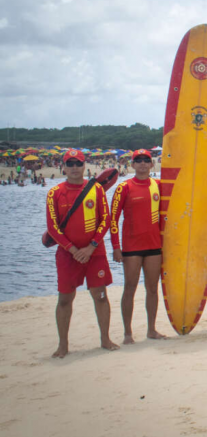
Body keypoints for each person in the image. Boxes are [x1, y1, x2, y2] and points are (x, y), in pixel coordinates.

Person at [46, 149, 118, 358]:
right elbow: (52, 228)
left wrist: (91, 246)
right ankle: (63, 345)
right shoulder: (55, 192)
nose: (75, 168)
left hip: (94, 253)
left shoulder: (95, 190)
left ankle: (105, 339)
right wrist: (74, 250)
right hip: (68, 255)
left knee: (101, 296)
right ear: (64, 167)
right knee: (65, 299)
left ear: (84, 165)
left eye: (78, 164)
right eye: (70, 164)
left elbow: (105, 218)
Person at [109, 149, 167, 344]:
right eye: (138, 160)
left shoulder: (158, 185)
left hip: (153, 246)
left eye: (146, 160)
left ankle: (151, 329)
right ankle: (127, 333)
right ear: (132, 165)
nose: (142, 164)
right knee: (130, 288)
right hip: (131, 247)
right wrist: (116, 247)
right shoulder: (123, 187)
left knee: (152, 288)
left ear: (152, 165)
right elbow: (113, 220)